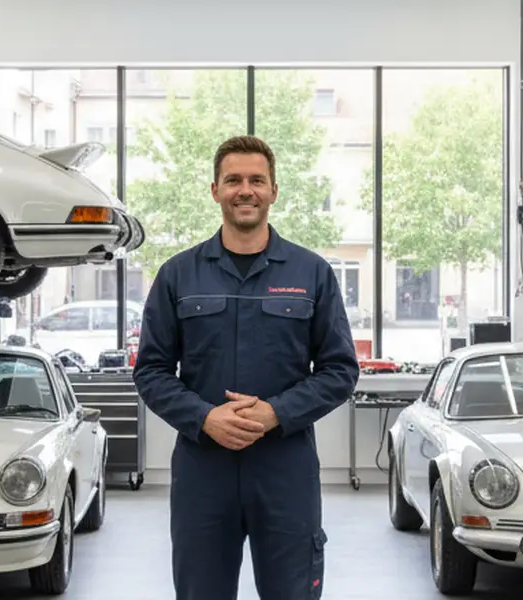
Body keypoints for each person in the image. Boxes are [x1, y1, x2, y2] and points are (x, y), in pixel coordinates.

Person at [133, 135, 361, 600]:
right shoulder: (178, 274)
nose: (245, 189)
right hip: (204, 472)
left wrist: (276, 412)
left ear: (274, 190)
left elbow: (340, 369)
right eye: (233, 180)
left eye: (257, 180)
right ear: (214, 190)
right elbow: (151, 370)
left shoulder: (311, 273)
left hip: (285, 470)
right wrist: (204, 418)